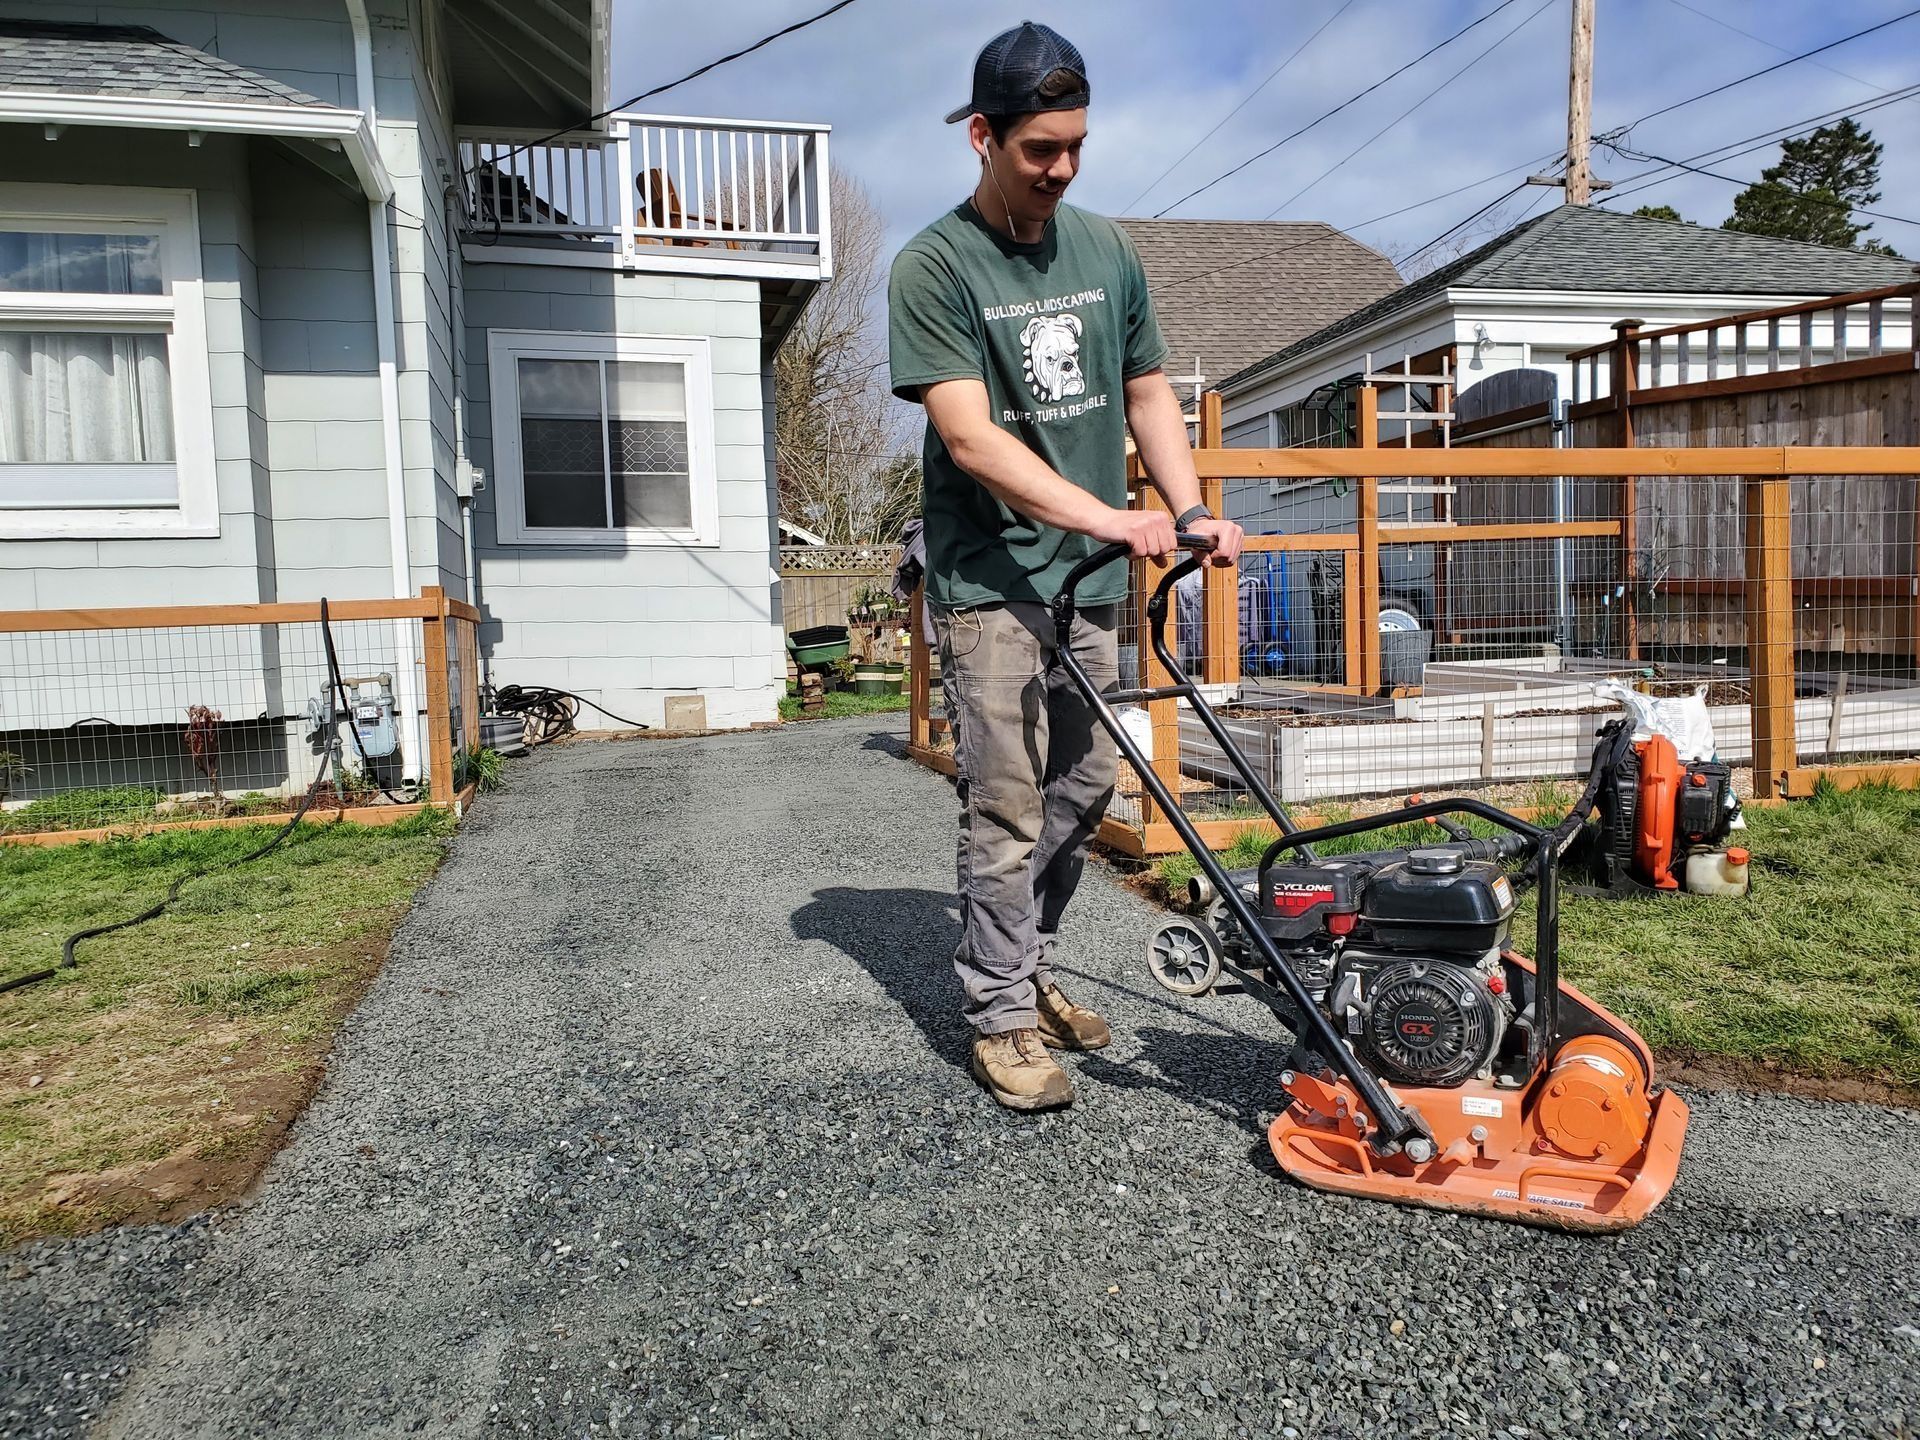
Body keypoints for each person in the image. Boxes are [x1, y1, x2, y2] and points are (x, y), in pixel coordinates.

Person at [887, 22, 1244, 1111]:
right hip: (989, 580)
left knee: (1086, 785)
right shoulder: (934, 265)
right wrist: (1110, 516)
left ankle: (1026, 961)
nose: (1063, 168)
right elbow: (971, 440)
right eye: (1041, 148)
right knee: (1003, 802)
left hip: (1088, 581)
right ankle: (998, 1016)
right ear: (984, 136)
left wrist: (1185, 509)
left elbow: (1147, 396)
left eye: (1077, 144)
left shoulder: (1105, 250)